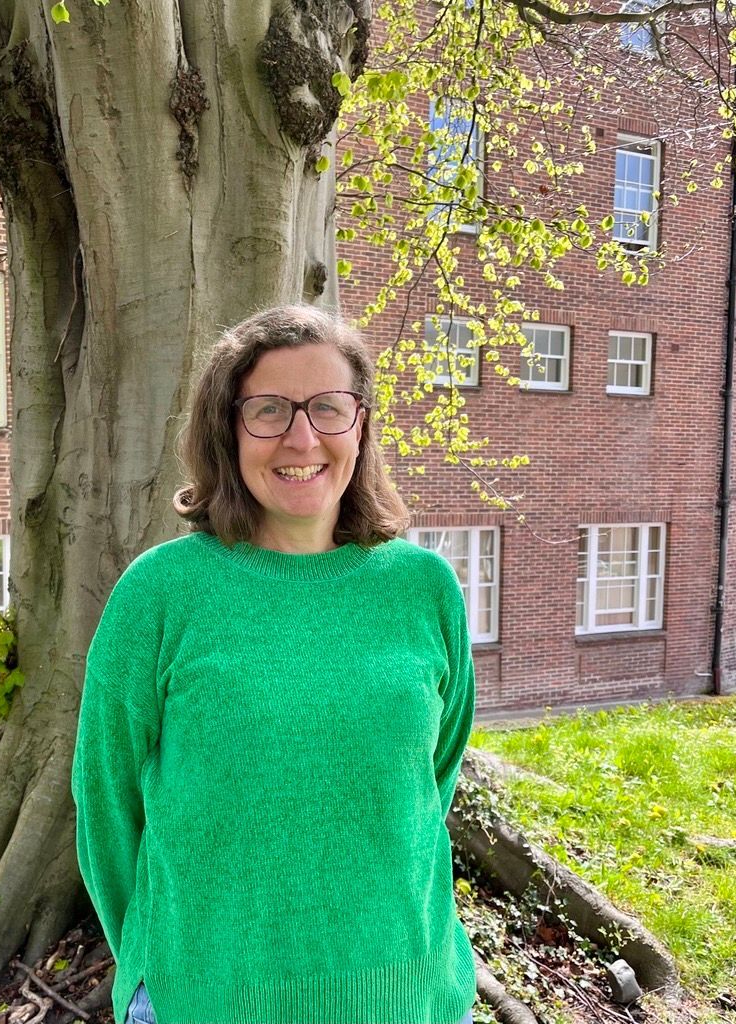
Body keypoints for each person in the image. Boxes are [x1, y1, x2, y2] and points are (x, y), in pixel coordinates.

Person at [71, 305, 477, 1024]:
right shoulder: (161, 593)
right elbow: (106, 805)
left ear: (361, 424)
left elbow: (429, 785)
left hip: (404, 994)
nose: (302, 437)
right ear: (227, 428)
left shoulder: (424, 589)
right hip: (206, 995)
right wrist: (158, 958)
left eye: (328, 408)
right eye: (268, 410)